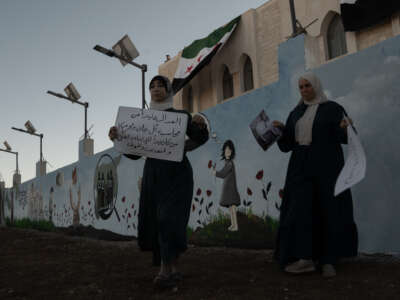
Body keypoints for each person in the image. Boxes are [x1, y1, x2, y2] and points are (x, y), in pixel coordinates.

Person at [109, 75, 209, 288]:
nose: (155, 89)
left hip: (177, 174)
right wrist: (118, 138)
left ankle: (164, 271)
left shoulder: (180, 116)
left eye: (160, 85)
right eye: (152, 86)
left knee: (169, 219)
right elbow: (135, 154)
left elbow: (200, 138)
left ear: (168, 90)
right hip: (154, 174)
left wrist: (200, 127)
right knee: (160, 221)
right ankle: (172, 268)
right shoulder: (142, 120)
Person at [272, 72, 358, 278]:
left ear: (316, 86)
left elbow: (345, 137)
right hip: (300, 168)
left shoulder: (333, 109)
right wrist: (281, 131)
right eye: (300, 87)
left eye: (307, 86)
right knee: (301, 211)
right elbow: (288, 145)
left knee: (328, 209)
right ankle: (305, 258)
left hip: (327, 166)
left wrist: (347, 128)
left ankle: (329, 260)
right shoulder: (295, 113)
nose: (304, 90)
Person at [212, 140, 240, 231]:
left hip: (231, 190)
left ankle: (235, 226)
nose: (227, 152)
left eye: (229, 150)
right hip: (228, 189)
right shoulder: (227, 162)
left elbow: (223, 173)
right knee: (231, 209)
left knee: (232, 208)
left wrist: (215, 172)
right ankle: (233, 225)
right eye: (226, 150)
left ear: (232, 152)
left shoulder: (230, 163)